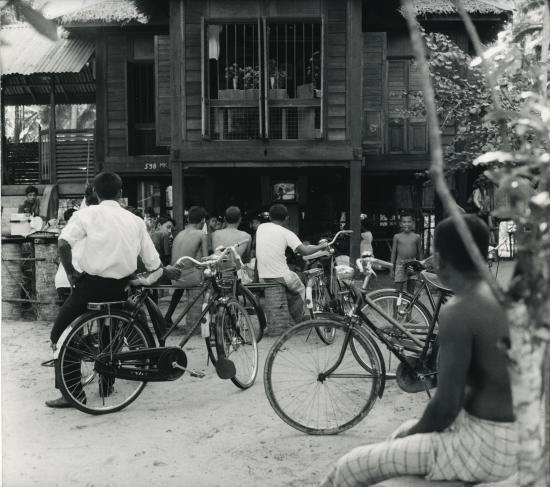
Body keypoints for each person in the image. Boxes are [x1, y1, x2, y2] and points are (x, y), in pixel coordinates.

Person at [320, 215, 517, 486]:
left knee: (350, 466)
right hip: (512, 437)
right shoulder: (503, 299)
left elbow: (446, 405)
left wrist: (412, 434)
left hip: (483, 446)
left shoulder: (460, 311)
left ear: (440, 259)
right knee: (401, 433)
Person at [45, 172, 180, 408]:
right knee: (111, 334)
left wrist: (70, 273)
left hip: (89, 287)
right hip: (119, 289)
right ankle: (107, 383)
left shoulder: (86, 214)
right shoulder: (135, 221)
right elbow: (154, 265)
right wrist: (142, 279)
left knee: (61, 334)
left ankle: (73, 393)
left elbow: (63, 243)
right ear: (120, 193)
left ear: (96, 193)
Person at [255, 204, 329, 323]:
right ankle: (299, 318)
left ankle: (290, 315)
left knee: (291, 288)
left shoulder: (261, 227)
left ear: (269, 217)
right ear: (286, 218)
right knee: (300, 288)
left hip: (262, 276)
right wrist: (322, 246)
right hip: (280, 276)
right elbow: (305, 251)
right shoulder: (286, 232)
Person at [164, 206, 208, 325]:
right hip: (191, 279)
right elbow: (205, 259)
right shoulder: (201, 234)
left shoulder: (179, 234)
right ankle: (211, 318)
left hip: (175, 278)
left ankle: (168, 315)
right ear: (203, 220)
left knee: (184, 269)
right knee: (212, 277)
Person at [390, 213, 423, 294]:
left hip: (413, 264)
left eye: (409, 222)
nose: (407, 224)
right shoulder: (397, 236)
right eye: (404, 222)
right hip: (400, 265)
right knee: (398, 291)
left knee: (411, 292)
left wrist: (421, 267)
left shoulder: (417, 237)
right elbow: (394, 253)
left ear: (412, 223)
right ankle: (395, 307)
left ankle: (409, 306)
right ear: (401, 224)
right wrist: (391, 268)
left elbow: (420, 252)